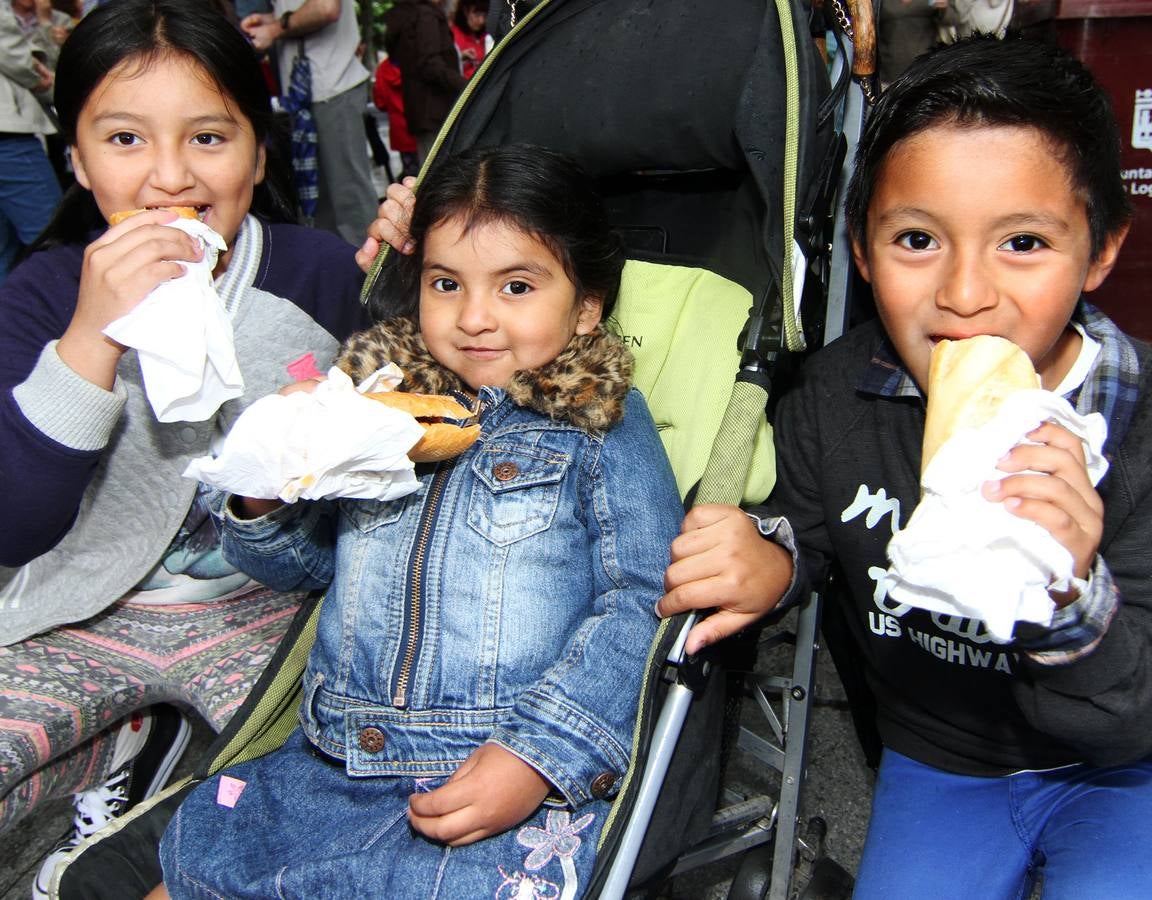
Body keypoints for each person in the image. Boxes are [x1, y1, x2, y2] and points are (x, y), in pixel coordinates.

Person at [658, 35, 1152, 897]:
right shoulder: (834, 394)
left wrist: (1066, 593)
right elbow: (808, 530)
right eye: (917, 239)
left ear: (1101, 250)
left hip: (1126, 761)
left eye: (1024, 244)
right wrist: (770, 557)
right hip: (939, 759)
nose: (965, 294)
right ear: (861, 251)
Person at [152, 143, 683, 898]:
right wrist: (266, 491)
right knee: (195, 867)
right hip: (331, 759)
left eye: (517, 286)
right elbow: (306, 571)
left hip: (492, 773)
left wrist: (538, 753)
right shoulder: (375, 410)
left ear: (586, 306)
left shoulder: (597, 428)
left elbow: (644, 599)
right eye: (445, 283)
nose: (473, 318)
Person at [0, 1, 371, 894]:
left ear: (257, 148)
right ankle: (134, 748)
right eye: (125, 140)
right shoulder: (46, 292)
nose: (170, 177)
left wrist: (424, 272)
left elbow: (406, 423)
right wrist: (90, 341)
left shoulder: (321, 272)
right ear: (78, 160)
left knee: (328, 786)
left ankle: (160, 777)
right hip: (79, 610)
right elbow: (14, 526)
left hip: (270, 617)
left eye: (208, 137)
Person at [240, 0, 377, 246]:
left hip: (333, 88)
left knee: (349, 204)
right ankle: (338, 277)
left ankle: (371, 281)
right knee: (318, 206)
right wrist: (270, 20)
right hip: (304, 95)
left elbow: (326, 7)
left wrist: (274, 29)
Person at [0, 2, 62, 281]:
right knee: (54, 234)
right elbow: (9, 48)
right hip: (7, 131)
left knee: (5, 247)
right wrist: (39, 79)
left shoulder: (48, 19)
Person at [385, 0, 466, 169]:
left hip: (421, 110)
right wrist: (467, 86)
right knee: (439, 173)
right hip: (434, 110)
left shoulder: (407, 14)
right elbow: (430, 64)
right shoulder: (425, 15)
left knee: (432, 169)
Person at [372, 53, 420, 180]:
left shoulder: (383, 69)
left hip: (400, 130)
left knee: (410, 178)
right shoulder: (416, 63)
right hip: (420, 126)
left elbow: (380, 102)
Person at [451, 0, 489, 80]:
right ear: (465, 11)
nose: (481, 21)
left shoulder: (486, 37)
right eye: (477, 15)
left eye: (484, 16)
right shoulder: (453, 36)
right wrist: (460, 57)